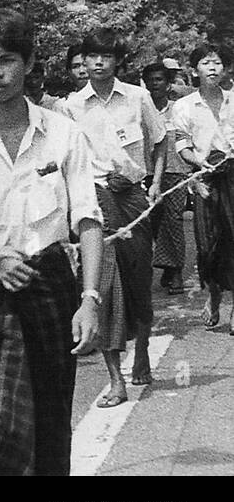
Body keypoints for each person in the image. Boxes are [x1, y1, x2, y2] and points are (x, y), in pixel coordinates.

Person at [0, 8, 103, 476]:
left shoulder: (63, 133)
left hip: (51, 285)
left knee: (50, 420)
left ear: (28, 64)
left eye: (7, 59)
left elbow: (88, 219)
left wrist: (89, 300)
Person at [63, 28, 166, 403]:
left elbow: (159, 139)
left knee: (138, 281)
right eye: (92, 57)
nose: (99, 63)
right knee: (103, 284)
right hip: (96, 200)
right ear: (83, 62)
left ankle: (141, 350)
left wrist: (152, 182)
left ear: (117, 60)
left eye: (106, 56)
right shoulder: (72, 106)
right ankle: (115, 379)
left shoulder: (137, 98)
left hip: (134, 198)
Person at [170, 43, 234, 334]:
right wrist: (200, 165)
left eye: (217, 62)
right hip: (204, 178)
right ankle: (213, 293)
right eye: (206, 62)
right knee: (208, 243)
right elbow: (182, 145)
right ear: (194, 69)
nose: (212, 67)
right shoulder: (184, 106)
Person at [142, 62, 189, 296]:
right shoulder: (140, 109)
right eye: (150, 80)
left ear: (168, 83)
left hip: (177, 171)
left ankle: (176, 271)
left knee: (173, 220)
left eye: (159, 79)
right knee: (153, 222)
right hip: (147, 172)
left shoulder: (177, 108)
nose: (154, 84)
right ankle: (167, 267)